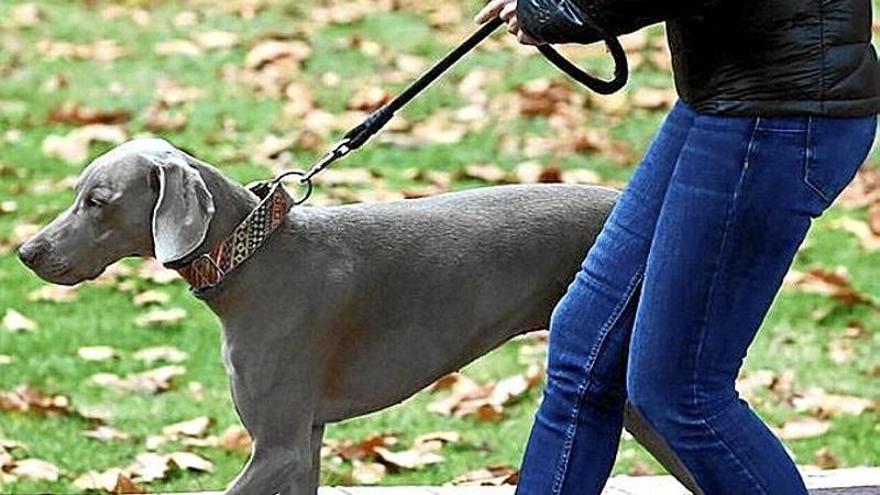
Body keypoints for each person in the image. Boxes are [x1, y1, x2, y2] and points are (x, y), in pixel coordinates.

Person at [474, 0, 879, 493]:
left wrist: (555, 10)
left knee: (679, 389)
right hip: (728, 95)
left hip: (778, 112)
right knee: (585, 346)